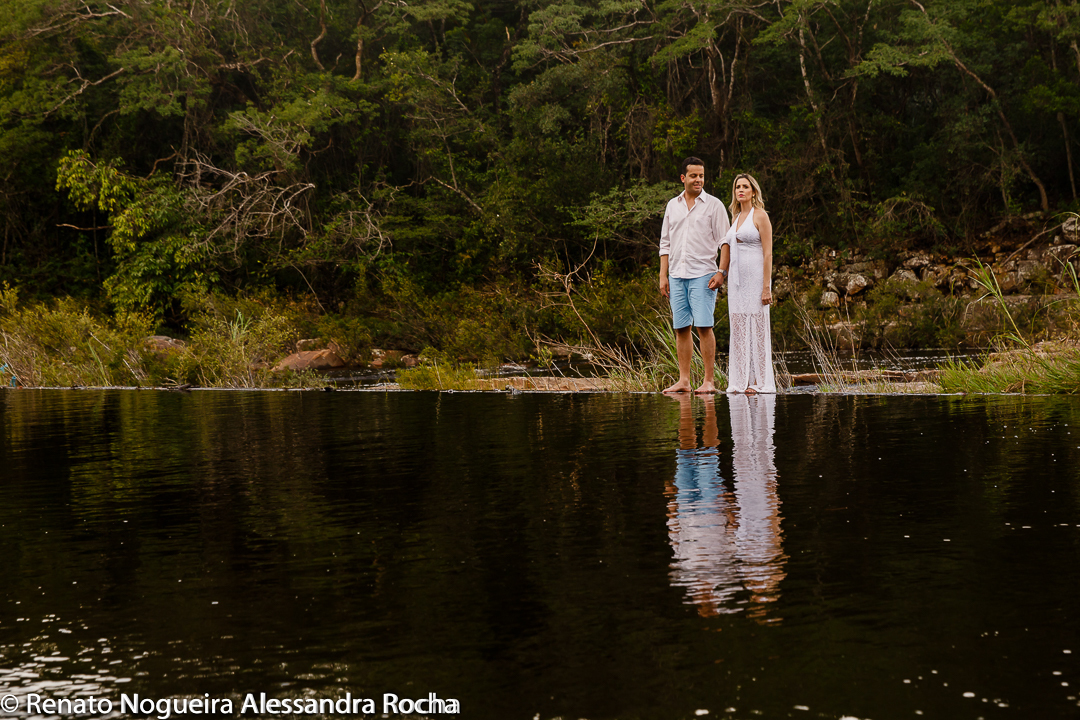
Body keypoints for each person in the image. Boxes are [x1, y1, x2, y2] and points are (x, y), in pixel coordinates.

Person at [658, 157, 731, 394]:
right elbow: (665, 243)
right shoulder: (672, 205)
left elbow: (725, 242)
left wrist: (721, 272)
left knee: (704, 326)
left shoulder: (714, 205)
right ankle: (684, 381)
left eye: (701, 176)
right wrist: (663, 275)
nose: (698, 179)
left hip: (703, 274)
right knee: (681, 328)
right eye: (693, 176)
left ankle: (709, 381)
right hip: (676, 274)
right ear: (683, 178)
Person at [723, 173, 776, 394]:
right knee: (738, 327)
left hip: (756, 280)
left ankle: (760, 381)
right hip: (737, 284)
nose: (741, 190)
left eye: (745, 187)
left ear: (753, 191)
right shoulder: (735, 218)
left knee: (757, 326)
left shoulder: (760, 215)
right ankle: (740, 381)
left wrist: (766, 287)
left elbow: (768, 253)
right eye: (738, 187)